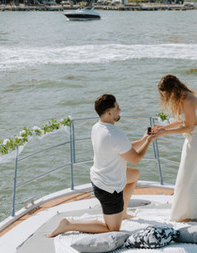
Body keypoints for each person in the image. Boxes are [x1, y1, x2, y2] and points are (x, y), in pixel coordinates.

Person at [48, 94, 156, 237]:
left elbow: (124, 148)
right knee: (112, 229)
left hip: (99, 177)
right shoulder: (115, 134)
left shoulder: (97, 127)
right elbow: (135, 158)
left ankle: (122, 212)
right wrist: (149, 142)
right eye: (117, 107)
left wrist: (143, 139)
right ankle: (68, 225)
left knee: (134, 175)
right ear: (109, 112)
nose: (120, 109)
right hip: (109, 188)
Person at [154, 75, 197, 222]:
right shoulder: (181, 99)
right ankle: (187, 214)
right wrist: (163, 128)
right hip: (192, 139)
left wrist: (165, 132)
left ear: (174, 89)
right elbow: (182, 121)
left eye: (167, 94)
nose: (166, 97)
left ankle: (182, 216)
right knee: (187, 178)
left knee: (186, 178)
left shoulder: (189, 99)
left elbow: (189, 126)